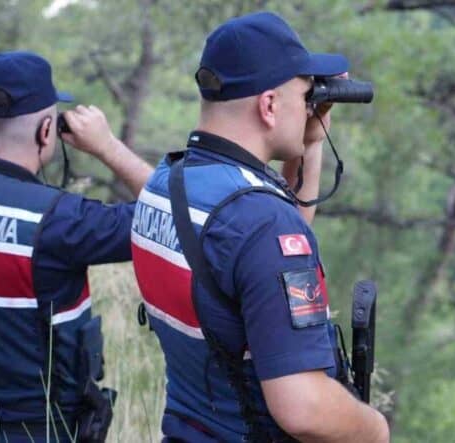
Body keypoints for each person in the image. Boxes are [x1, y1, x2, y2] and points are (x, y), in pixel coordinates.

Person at [131, 12, 390, 442]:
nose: (311, 104)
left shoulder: (168, 182)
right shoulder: (261, 224)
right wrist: (375, 428)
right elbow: (302, 408)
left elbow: (266, 254)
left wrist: (310, 139)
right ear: (269, 105)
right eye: (306, 93)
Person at [0, 51, 153, 442]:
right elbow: (171, 217)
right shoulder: (63, 221)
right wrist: (107, 147)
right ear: (46, 130)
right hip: (43, 433)